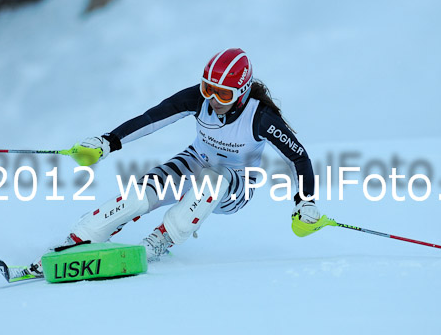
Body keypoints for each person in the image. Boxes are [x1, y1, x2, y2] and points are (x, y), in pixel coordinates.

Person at [17, 48, 321, 279]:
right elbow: (153, 118)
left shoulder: (261, 117)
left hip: (235, 185)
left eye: (223, 93)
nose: (213, 98)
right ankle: (75, 240)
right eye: (207, 88)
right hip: (195, 162)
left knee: (212, 181)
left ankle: (159, 241)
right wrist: (108, 141)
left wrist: (304, 201)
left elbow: (299, 157)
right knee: (140, 195)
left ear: (240, 93)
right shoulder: (198, 100)